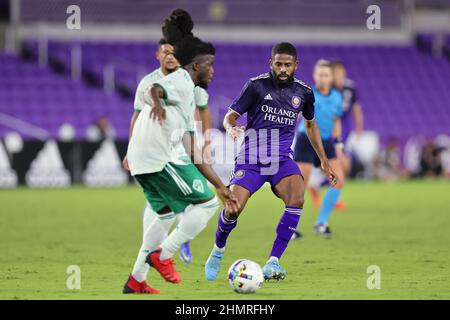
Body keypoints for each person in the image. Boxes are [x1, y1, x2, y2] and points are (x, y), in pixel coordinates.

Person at [122, 15, 238, 294]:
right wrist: (158, 101)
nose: (213, 71)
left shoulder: (188, 93)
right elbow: (155, 89)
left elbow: (193, 151)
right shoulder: (182, 82)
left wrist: (221, 185)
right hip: (158, 159)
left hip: (143, 160)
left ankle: (136, 279)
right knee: (208, 205)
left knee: (163, 216)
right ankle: (163, 256)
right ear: (196, 65)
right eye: (209, 65)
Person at [204, 43, 337, 281]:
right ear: (271, 63)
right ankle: (218, 249)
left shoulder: (304, 93)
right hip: (251, 158)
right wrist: (231, 127)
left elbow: (310, 125)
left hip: (281, 159)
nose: (283, 69)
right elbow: (230, 116)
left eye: (288, 65)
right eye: (278, 64)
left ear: (296, 65)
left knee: (297, 196)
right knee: (233, 208)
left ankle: (273, 261)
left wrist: (324, 160)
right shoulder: (256, 86)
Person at [293, 59, 345, 239]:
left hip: (326, 142)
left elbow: (336, 120)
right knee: (300, 186)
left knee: (338, 180)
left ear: (331, 77)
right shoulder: (308, 94)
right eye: (320, 74)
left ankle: (321, 222)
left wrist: (339, 145)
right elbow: (296, 115)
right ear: (315, 76)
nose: (323, 78)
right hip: (306, 141)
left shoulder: (337, 97)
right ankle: (292, 227)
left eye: (326, 75)